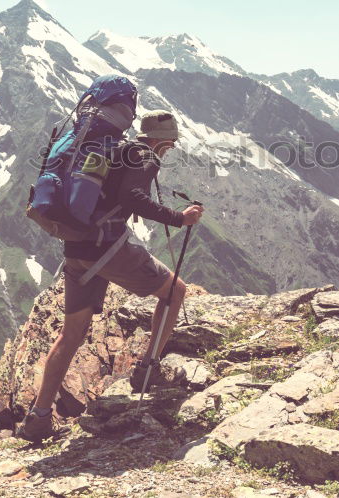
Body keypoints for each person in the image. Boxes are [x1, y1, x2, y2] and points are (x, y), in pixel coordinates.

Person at [18, 110, 204, 442]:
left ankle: (39, 418)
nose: (171, 148)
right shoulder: (145, 156)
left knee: (70, 335)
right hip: (107, 250)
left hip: (77, 249)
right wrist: (181, 218)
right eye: (172, 142)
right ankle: (147, 372)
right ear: (163, 140)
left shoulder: (113, 149)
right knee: (175, 292)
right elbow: (132, 198)